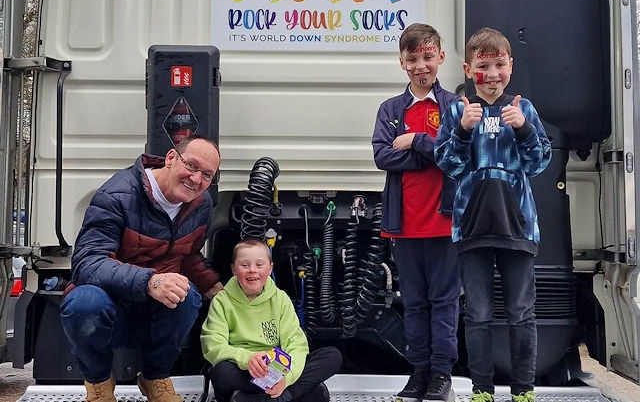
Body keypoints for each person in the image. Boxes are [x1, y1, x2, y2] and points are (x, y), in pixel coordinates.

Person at [434, 27, 552, 402]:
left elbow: (538, 163)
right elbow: (448, 165)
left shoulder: (524, 109)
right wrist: (464, 132)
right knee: (479, 314)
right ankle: (482, 390)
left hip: (517, 226)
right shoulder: (457, 110)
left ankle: (523, 391)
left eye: (500, 64)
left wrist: (524, 129)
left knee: (521, 312)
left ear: (510, 67)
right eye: (484, 66)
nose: (493, 74)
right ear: (469, 70)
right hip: (472, 228)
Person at [60, 134, 225, 402]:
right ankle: (99, 386)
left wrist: (218, 291)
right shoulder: (117, 195)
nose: (197, 180)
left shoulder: (201, 204)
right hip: (110, 302)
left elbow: (189, 254)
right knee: (83, 303)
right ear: (171, 158)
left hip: (153, 308)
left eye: (207, 175)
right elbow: (87, 262)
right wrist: (151, 281)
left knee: (188, 295)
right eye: (192, 166)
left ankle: (155, 379)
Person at [372, 23, 460, 402]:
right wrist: (429, 154)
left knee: (444, 301)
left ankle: (441, 374)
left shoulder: (455, 107)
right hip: (404, 224)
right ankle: (418, 372)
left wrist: (416, 141)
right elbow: (381, 155)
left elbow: (456, 156)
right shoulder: (391, 109)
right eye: (413, 59)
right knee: (414, 301)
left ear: (440, 57)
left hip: (443, 223)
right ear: (402, 63)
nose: (421, 65)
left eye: (428, 57)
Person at [201, 238, 342, 402]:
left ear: (270, 268)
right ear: (233, 269)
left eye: (259, 265)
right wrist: (247, 359)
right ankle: (295, 393)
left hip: (277, 372)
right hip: (244, 370)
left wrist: (287, 379)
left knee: (332, 356)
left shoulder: (280, 299)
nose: (252, 270)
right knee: (221, 371)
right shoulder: (222, 301)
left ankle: (279, 396)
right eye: (244, 265)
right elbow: (213, 345)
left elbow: (296, 344)